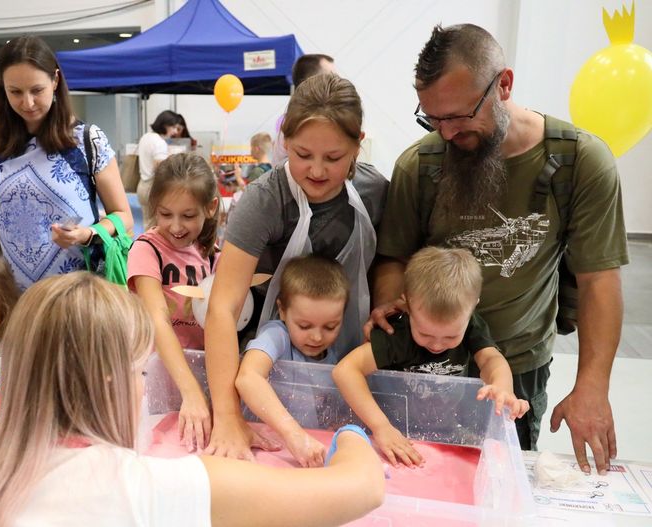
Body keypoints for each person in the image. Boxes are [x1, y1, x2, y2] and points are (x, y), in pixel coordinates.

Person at [0, 272, 385, 527]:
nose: (142, 386)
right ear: (112, 381)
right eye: (139, 371)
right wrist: (353, 431)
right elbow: (361, 490)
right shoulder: (154, 487)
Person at [369, 24, 627, 475]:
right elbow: (393, 257)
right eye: (433, 119)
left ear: (504, 84)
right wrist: (394, 316)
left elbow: (598, 281)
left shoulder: (580, 162)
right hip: (428, 364)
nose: (447, 133)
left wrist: (592, 385)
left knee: (499, 483)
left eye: (460, 115)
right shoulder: (421, 165)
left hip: (517, 367)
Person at [204, 73, 388, 460]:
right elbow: (223, 306)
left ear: (358, 144)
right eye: (302, 155)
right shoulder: (264, 201)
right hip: (270, 372)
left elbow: (391, 265)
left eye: (334, 158)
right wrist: (226, 413)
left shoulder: (375, 192)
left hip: (347, 365)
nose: (317, 171)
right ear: (284, 139)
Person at [335, 247, 529, 468]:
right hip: (395, 430)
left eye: (451, 336)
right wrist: (381, 427)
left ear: (473, 306)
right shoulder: (398, 334)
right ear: (406, 304)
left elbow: (491, 360)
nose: (437, 344)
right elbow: (345, 370)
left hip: (446, 429)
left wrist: (502, 386)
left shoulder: (473, 325)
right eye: (425, 333)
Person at [0, 36, 132, 290]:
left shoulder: (86, 140)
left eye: (37, 90)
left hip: (76, 294)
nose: (27, 103)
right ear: (2, 88)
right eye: (15, 92)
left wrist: (86, 234)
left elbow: (124, 216)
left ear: (55, 80)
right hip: (14, 296)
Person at [127, 153, 220, 451]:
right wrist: (190, 390)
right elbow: (157, 318)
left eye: (189, 216)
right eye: (166, 214)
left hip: (201, 373)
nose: (176, 226)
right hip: (157, 378)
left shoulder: (213, 253)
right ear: (154, 208)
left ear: (211, 207)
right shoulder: (146, 249)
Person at [236, 256, 349, 467]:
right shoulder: (277, 335)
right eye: (305, 326)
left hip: (303, 452)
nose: (317, 337)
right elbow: (247, 377)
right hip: (262, 447)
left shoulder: (332, 356)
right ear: (283, 310)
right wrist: (293, 434)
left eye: (330, 326)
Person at [272, 54, 337, 166]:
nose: (337, 83)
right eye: (331, 77)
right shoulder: (294, 125)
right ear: (312, 82)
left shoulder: (330, 120)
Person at [136, 110, 185, 224]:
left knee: (147, 223)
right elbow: (161, 169)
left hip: (142, 185)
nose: (174, 131)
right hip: (152, 187)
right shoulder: (159, 142)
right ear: (164, 125)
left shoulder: (146, 136)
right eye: (172, 127)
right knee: (155, 226)